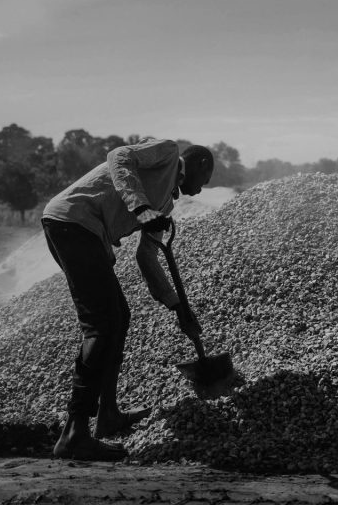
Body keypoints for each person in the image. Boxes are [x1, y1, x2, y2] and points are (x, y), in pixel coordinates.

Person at [41, 139, 214, 460]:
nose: (201, 191)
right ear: (200, 164)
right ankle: (73, 433)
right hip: (72, 221)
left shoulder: (165, 207)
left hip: (91, 234)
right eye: (205, 182)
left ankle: (107, 415)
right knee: (101, 325)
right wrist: (140, 206)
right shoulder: (167, 152)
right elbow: (118, 156)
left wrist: (178, 306)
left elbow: (147, 257)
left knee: (119, 318)